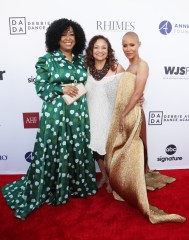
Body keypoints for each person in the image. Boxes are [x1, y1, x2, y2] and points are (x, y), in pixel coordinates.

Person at [2, 18, 97, 220]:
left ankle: (76, 185)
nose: (68, 38)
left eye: (72, 34)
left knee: (76, 146)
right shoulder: (47, 59)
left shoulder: (82, 60)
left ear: (77, 37)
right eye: (64, 34)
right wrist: (60, 88)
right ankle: (54, 187)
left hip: (78, 113)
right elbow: (40, 87)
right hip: (56, 113)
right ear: (56, 37)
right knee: (56, 146)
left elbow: (95, 81)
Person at [105, 32, 186, 223]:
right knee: (122, 149)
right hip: (126, 112)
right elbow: (127, 91)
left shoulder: (142, 65)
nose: (128, 49)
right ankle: (128, 181)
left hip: (131, 113)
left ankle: (133, 184)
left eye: (131, 45)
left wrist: (124, 114)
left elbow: (137, 93)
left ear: (139, 44)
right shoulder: (129, 66)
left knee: (131, 149)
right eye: (124, 45)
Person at [85, 35, 125, 192]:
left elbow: (129, 90)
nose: (100, 50)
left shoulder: (116, 68)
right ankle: (104, 176)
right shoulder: (86, 68)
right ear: (91, 50)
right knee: (96, 150)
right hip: (91, 116)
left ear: (109, 51)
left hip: (109, 117)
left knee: (109, 150)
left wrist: (139, 98)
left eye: (103, 47)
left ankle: (112, 179)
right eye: (96, 47)